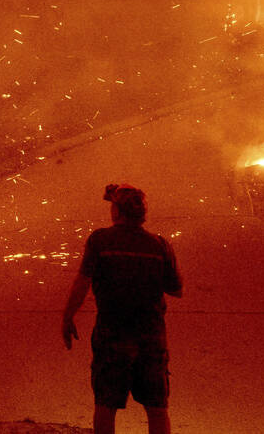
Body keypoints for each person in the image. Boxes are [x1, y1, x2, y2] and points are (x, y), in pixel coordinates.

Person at [61, 183, 183, 434]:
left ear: (117, 211)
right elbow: (176, 289)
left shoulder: (100, 241)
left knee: (106, 404)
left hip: (112, 335)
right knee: (157, 407)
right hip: (151, 337)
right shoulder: (159, 245)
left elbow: (82, 282)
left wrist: (67, 316)